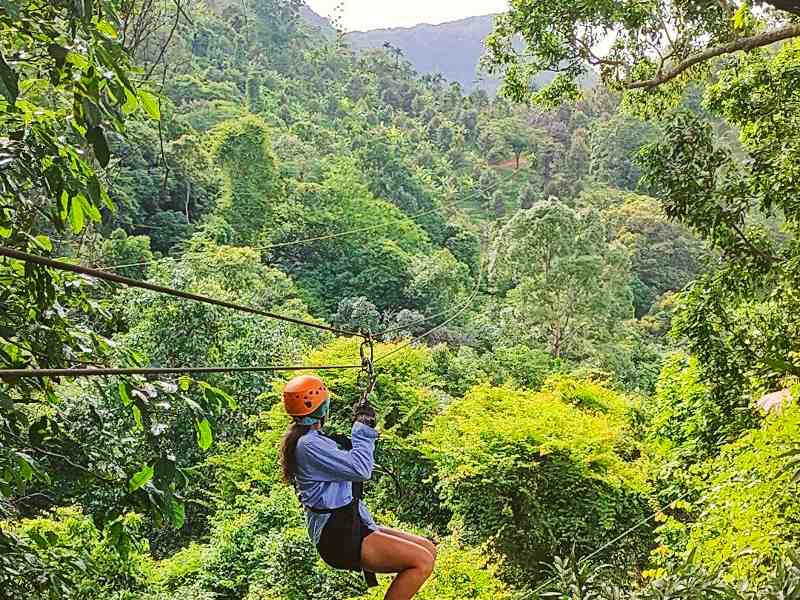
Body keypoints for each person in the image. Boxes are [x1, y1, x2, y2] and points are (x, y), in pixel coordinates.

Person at [279, 374, 436, 600]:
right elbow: (361, 469)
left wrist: (361, 425)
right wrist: (362, 429)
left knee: (427, 548)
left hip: (347, 524)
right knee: (422, 562)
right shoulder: (309, 444)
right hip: (338, 534)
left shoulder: (311, 438)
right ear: (323, 406)